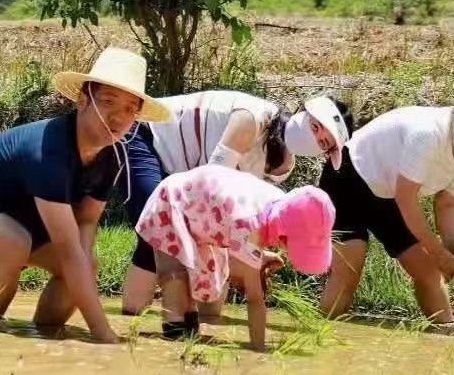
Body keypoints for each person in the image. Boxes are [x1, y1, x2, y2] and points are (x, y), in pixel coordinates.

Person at [0, 47, 170, 344]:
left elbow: (87, 221)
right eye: (108, 102)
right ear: (82, 100)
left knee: (86, 263)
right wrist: (103, 333)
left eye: (130, 109)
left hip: (17, 222)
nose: (118, 116)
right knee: (15, 242)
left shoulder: (113, 156)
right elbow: (67, 249)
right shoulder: (49, 151)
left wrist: (83, 263)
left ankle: (45, 335)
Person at [121, 90, 351, 315]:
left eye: (323, 144)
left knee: (199, 249)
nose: (316, 140)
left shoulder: (283, 166)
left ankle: (184, 323)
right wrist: (244, 255)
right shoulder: (251, 119)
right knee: (157, 236)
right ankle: (130, 323)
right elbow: (212, 194)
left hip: (188, 180)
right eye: (315, 128)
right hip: (148, 136)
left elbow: (235, 215)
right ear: (304, 112)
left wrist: (253, 250)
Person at [136, 167, 335, 351]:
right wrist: (259, 349)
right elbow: (255, 299)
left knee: (195, 288)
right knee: (176, 277)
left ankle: (188, 336)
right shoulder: (250, 224)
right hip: (172, 202)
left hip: (201, 215)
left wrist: (259, 257)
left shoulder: (283, 205)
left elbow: (240, 240)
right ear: (284, 234)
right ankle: (173, 342)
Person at [318, 106, 454, 326]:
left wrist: (449, 254)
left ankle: (445, 336)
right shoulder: (428, 135)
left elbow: (447, 204)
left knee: (429, 271)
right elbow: (406, 198)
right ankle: (318, 337)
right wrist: (439, 253)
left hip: (388, 192)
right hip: (348, 176)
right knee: (347, 274)